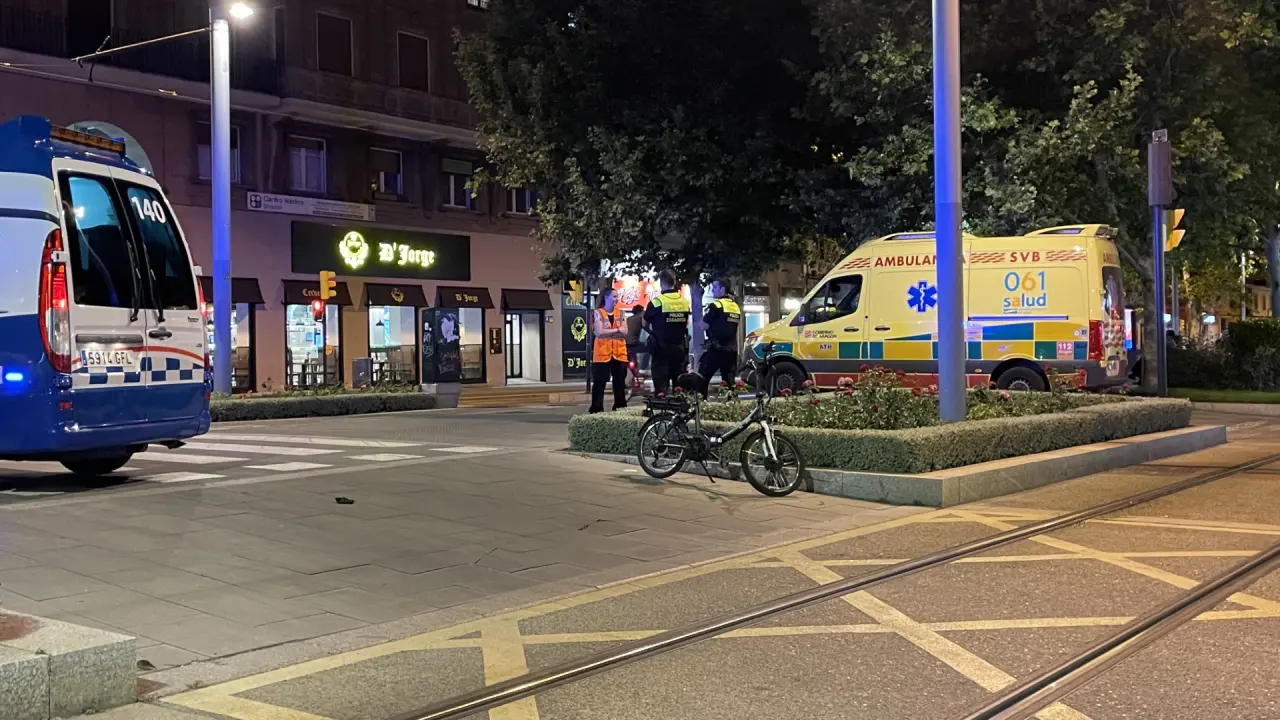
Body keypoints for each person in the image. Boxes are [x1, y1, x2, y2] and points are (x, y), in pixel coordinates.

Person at [643, 269, 691, 395]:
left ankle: (662, 405)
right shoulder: (684, 302)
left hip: (661, 350)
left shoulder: (656, 302)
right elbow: (686, 323)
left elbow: (644, 324)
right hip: (679, 349)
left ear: (661, 283)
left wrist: (654, 333)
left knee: (661, 388)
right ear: (674, 282)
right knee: (679, 387)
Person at [697, 279, 741, 396]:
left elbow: (704, 325)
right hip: (731, 349)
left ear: (722, 289)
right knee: (730, 383)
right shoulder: (735, 306)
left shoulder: (716, 305)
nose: (712, 290)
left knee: (702, 377)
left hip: (716, 349)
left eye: (715, 287)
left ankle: (701, 402)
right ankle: (733, 404)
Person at [588, 286, 629, 413]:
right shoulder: (598, 313)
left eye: (617, 297)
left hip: (619, 354)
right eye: (614, 296)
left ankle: (620, 407)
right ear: (606, 297)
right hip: (602, 354)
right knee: (599, 383)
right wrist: (617, 330)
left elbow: (625, 332)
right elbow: (599, 332)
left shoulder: (621, 313)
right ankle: (596, 409)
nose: (617, 299)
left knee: (619, 383)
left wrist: (609, 332)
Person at [625, 305, 649, 373]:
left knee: (632, 354)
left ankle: (634, 369)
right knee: (651, 348)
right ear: (641, 311)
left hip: (626, 344)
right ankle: (644, 368)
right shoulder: (640, 317)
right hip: (634, 344)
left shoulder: (628, 319)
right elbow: (645, 326)